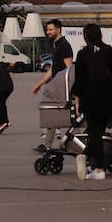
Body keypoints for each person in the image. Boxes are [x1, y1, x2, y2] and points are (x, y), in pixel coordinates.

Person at [69, 23, 112, 180]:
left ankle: (99, 168)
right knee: (98, 132)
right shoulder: (108, 51)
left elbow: (79, 79)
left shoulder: (83, 54)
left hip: (90, 98)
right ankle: (89, 159)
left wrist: (76, 99)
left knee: (94, 132)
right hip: (108, 97)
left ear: (86, 36)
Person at [31, 18, 74, 149]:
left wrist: (69, 88)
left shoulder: (64, 46)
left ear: (58, 30)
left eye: (50, 29)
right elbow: (53, 68)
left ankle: (53, 144)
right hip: (55, 86)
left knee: (51, 112)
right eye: (47, 29)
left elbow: (69, 69)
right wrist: (40, 83)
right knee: (50, 113)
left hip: (62, 87)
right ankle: (47, 144)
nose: (48, 32)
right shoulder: (56, 46)